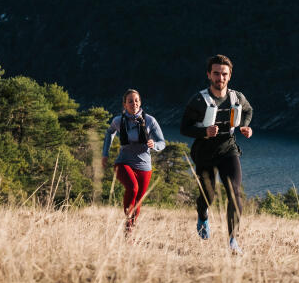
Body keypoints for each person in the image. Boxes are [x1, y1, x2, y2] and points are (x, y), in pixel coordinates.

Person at [180, 54, 253, 254]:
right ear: (209, 75)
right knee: (208, 195)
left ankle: (233, 240)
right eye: (216, 74)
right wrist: (204, 132)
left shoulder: (237, 97)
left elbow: (247, 111)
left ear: (229, 76)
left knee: (235, 192)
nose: (220, 78)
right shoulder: (198, 100)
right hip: (204, 151)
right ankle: (202, 215)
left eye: (224, 74)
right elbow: (184, 128)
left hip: (228, 148)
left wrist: (245, 127)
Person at [102, 89, 166, 233]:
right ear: (124, 104)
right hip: (123, 162)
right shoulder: (118, 121)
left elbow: (162, 142)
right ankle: (128, 224)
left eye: (136, 100)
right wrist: (105, 154)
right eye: (130, 101)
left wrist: (154, 145)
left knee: (138, 201)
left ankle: (130, 229)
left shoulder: (150, 120)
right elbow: (109, 133)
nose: (134, 103)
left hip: (144, 166)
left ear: (140, 102)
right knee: (132, 188)